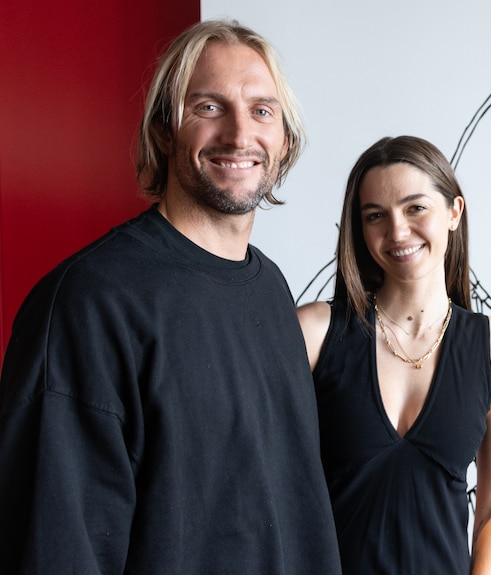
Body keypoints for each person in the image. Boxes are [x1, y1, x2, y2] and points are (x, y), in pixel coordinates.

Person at [0, 19, 341, 574]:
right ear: (164, 129)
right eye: (208, 108)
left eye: (262, 110)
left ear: (285, 139)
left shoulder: (273, 290)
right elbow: (58, 547)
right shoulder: (90, 303)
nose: (239, 134)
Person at [297, 135, 491, 574]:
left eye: (415, 208)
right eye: (375, 216)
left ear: (454, 212)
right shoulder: (314, 333)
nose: (397, 231)